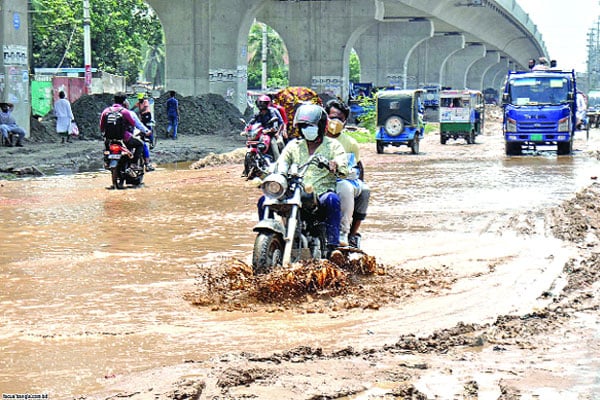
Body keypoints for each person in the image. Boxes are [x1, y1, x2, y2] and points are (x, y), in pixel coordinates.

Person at [258, 103, 348, 250]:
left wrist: (334, 165)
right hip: (294, 192)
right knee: (264, 199)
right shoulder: (293, 145)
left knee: (332, 200)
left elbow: (343, 167)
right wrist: (268, 172)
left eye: (311, 126)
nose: (307, 130)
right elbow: (281, 163)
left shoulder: (333, 146)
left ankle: (333, 247)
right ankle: (268, 239)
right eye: (304, 126)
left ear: (321, 126)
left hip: (319, 195)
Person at [324, 99, 370, 248]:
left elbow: (355, 166)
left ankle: (347, 233)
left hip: (341, 180)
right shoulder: (314, 138)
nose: (335, 122)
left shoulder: (350, 143)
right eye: (332, 117)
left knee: (358, 190)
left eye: (340, 119)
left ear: (345, 121)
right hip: (316, 179)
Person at [99, 92, 146, 168]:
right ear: (124, 101)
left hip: (109, 138)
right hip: (124, 137)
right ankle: (133, 163)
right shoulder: (125, 112)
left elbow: (101, 126)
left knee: (106, 150)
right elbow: (133, 123)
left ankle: (107, 162)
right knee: (140, 144)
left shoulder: (106, 111)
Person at [124, 99, 155, 171]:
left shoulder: (108, 111)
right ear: (126, 105)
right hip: (126, 136)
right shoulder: (129, 113)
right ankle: (145, 164)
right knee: (142, 144)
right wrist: (146, 131)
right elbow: (138, 124)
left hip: (111, 138)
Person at [249, 94, 283, 160]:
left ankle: (279, 161)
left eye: (264, 103)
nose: (261, 104)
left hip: (273, 133)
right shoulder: (258, 114)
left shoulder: (272, 112)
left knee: (275, 144)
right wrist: (247, 128)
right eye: (260, 102)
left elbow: (279, 122)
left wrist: (276, 132)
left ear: (267, 103)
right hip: (262, 133)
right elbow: (252, 122)